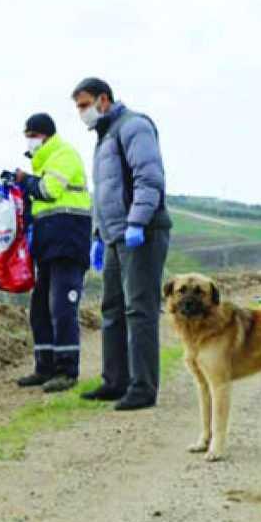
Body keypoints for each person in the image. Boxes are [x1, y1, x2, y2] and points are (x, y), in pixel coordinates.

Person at [71, 77, 171, 411]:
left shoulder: (134, 127)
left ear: (103, 99)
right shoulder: (105, 137)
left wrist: (137, 222)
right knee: (112, 309)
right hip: (114, 235)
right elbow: (105, 193)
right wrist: (98, 235)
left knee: (139, 310)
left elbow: (149, 177)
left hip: (140, 232)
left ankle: (143, 387)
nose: (81, 113)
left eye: (84, 105)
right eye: (78, 107)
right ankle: (115, 381)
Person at [2, 113, 92, 393]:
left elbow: (48, 190)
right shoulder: (44, 163)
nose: (29, 141)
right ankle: (45, 367)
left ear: (44, 135)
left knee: (62, 309)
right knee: (40, 309)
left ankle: (67, 370)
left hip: (68, 243)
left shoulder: (64, 155)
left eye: (32, 135)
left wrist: (24, 179)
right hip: (49, 247)